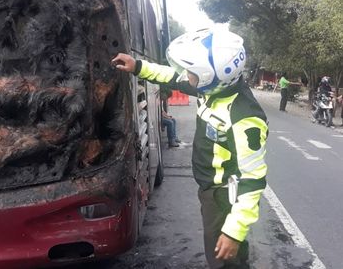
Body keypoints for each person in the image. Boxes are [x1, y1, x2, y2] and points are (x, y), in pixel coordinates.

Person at [112, 27, 268, 269]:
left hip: (223, 198)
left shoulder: (244, 117)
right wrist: (138, 66)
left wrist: (234, 232)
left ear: (211, 76)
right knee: (229, 260)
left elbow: (253, 180)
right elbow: (172, 77)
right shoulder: (214, 87)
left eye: (193, 73)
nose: (187, 76)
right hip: (210, 192)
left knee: (224, 262)